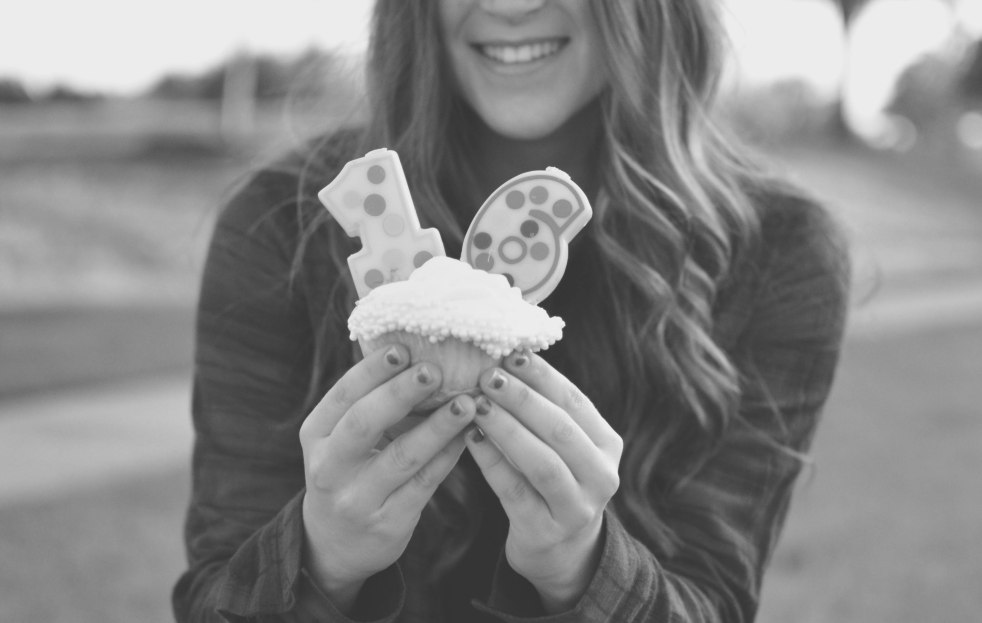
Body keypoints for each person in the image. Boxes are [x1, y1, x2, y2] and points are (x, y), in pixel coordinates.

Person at [173, 0, 851, 621]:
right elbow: (213, 601)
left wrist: (583, 569)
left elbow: (713, 601)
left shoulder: (775, 254)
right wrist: (323, 559)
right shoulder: (282, 223)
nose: (510, 6)